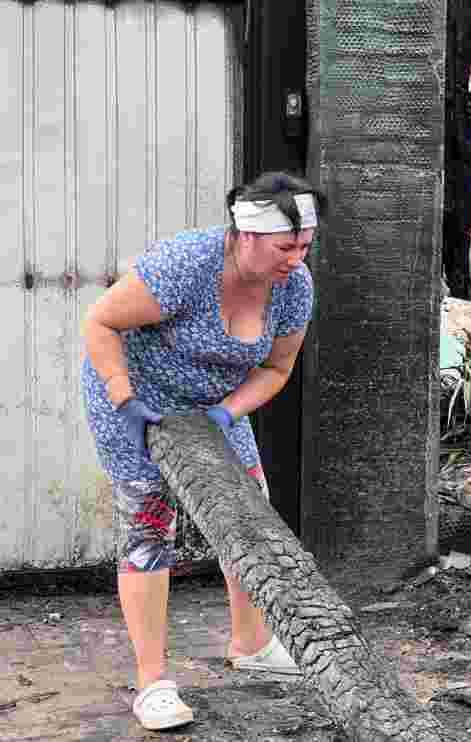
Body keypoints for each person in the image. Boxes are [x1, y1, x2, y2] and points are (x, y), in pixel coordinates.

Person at [81, 172, 322, 731]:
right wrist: (123, 397)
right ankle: (152, 682)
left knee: (247, 512)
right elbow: (99, 321)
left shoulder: (294, 286)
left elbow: (276, 368)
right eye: (286, 246)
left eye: (305, 245)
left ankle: (252, 643)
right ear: (245, 236)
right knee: (149, 528)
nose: (297, 258)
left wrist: (227, 413)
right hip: (136, 398)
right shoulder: (187, 264)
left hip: (212, 404)